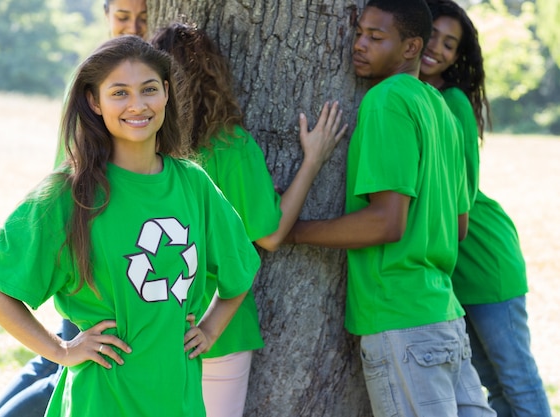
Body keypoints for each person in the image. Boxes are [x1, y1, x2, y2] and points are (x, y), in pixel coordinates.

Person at [0, 35, 260, 417]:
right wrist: (61, 350)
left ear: (167, 93)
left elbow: (239, 270)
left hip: (179, 400)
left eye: (149, 89)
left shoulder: (193, 184)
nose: (137, 105)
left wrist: (209, 330)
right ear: (94, 101)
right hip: (102, 400)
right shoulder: (68, 194)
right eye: (119, 93)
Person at [284, 0, 496, 415]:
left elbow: (386, 223)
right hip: (444, 315)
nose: (359, 45)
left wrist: (291, 229)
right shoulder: (441, 110)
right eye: (360, 33)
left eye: (376, 38)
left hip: (402, 320)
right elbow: (458, 226)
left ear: (411, 47)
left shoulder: (386, 100)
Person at [151, 22, 347, 417]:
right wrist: (312, 161)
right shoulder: (229, 146)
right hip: (220, 328)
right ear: (211, 76)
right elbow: (271, 236)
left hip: (152, 323)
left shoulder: (145, 153)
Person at [0, 2, 149, 416]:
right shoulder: (94, 80)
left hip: (112, 245)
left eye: (144, 16)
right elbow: (72, 169)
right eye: (124, 16)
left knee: (53, 361)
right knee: (64, 360)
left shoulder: (147, 85)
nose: (134, 26)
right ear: (106, 14)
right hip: (91, 239)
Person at [419, 1, 552, 416]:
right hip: (451, 263)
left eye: (450, 44)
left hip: (484, 253)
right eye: (433, 35)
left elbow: (464, 189)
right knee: (490, 384)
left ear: (458, 58)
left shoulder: (453, 101)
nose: (437, 48)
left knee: (517, 379)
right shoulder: (410, 94)